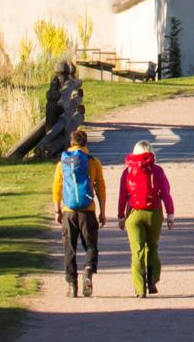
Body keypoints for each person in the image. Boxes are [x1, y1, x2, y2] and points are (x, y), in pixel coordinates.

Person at [115, 139, 177, 297]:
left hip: (134, 214)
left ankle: (139, 288)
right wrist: (170, 213)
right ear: (151, 152)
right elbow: (165, 193)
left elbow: (123, 196)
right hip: (153, 212)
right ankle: (153, 279)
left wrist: (121, 216)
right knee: (152, 246)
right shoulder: (157, 170)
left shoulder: (127, 172)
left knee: (137, 251)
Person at [55, 127, 106, 296]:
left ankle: (72, 285)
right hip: (88, 211)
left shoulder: (62, 162)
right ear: (86, 143)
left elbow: (57, 187)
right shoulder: (93, 161)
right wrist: (102, 211)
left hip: (68, 211)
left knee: (69, 248)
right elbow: (101, 187)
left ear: (71, 142)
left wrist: (57, 210)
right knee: (91, 246)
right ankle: (88, 271)